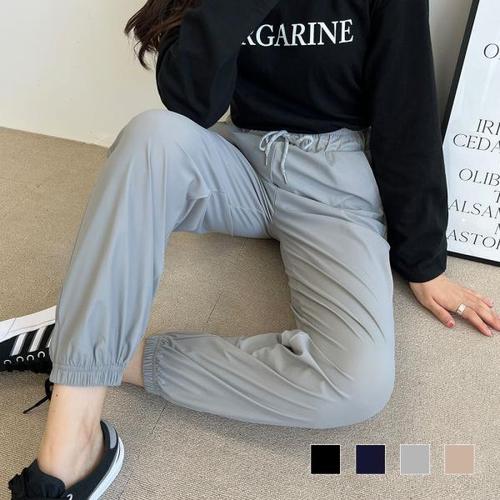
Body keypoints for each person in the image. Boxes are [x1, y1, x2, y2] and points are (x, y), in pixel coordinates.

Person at [4, 0, 500, 498]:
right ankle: (73, 441)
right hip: (238, 158)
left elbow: (407, 110)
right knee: (150, 137)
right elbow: (191, 103)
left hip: (334, 177)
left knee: (357, 384)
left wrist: (424, 261)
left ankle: (88, 342)